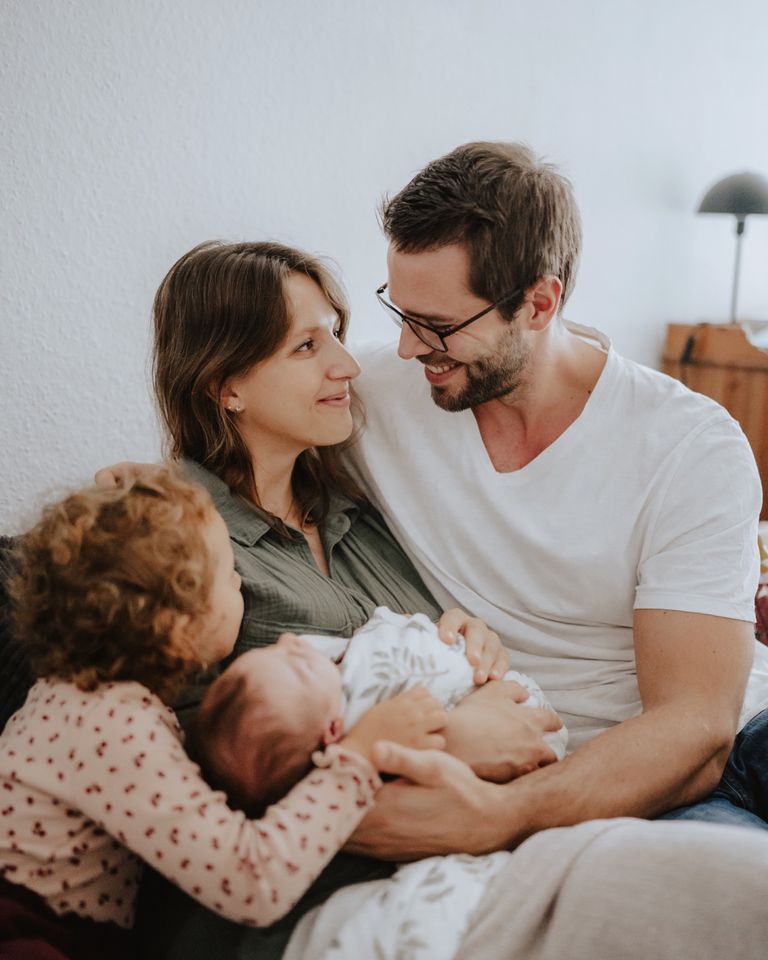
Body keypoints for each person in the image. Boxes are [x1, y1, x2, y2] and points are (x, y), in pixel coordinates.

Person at [339, 140, 768, 861]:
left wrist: (496, 816)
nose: (410, 350)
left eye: (438, 326)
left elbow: (696, 727)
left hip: (728, 744)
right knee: (733, 883)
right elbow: (234, 421)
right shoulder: (374, 398)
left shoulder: (689, 446)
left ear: (540, 303)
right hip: (593, 780)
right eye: (399, 312)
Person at [0, 469, 447, 957]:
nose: (240, 580)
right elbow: (252, 881)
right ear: (176, 627)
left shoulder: (76, 697)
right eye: (227, 572)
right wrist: (357, 759)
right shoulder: (113, 728)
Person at [190, 607, 567, 816]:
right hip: (521, 736)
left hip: (504, 694)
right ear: (332, 732)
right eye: (299, 666)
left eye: (275, 650)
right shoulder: (362, 717)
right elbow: (408, 662)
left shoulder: (307, 689)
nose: (291, 642)